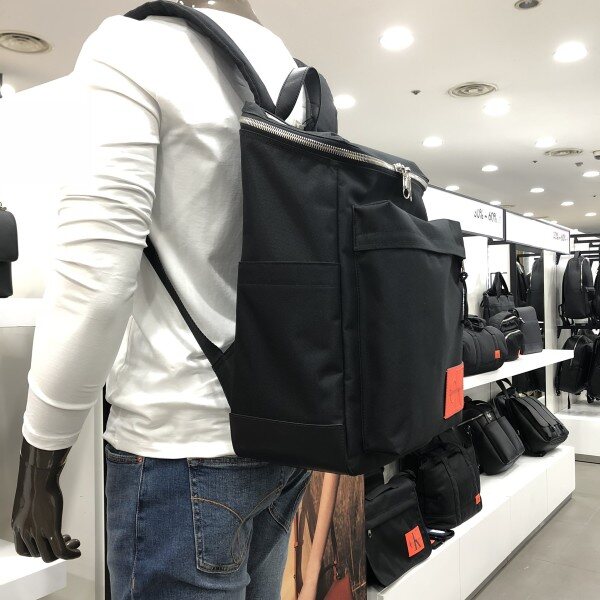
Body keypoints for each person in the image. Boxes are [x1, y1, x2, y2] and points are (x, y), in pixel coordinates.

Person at [11, 1, 311, 598]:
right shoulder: (293, 75)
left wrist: (39, 459)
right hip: (283, 437)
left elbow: (95, 284)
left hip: (181, 452)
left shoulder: (132, 47)